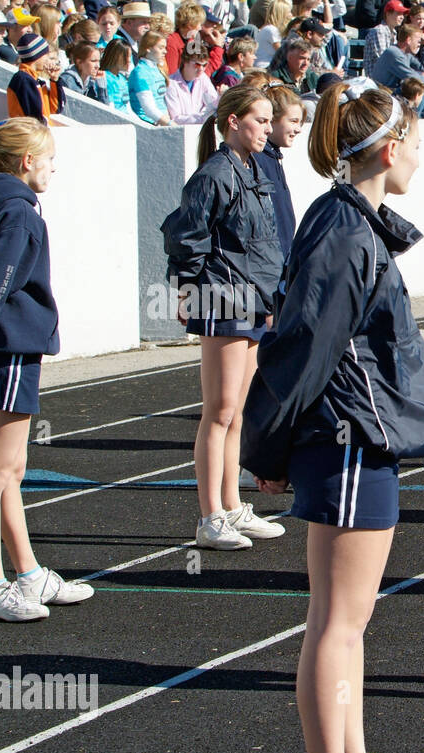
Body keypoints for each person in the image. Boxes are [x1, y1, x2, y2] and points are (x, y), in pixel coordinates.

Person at [241, 78, 424, 753]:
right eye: (418, 144)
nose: (421, 158)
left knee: (349, 623)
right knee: (335, 622)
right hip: (347, 440)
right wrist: (267, 445)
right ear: (390, 149)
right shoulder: (344, 230)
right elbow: (303, 349)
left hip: (360, 439)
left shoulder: (354, 222)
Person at [161, 84, 286, 550]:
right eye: (261, 120)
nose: (268, 129)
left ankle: (232, 506)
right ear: (233, 122)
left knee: (238, 413)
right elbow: (186, 239)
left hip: (251, 298)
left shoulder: (252, 168)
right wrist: (187, 290)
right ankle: (210, 515)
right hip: (222, 299)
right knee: (219, 411)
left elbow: (262, 243)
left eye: (271, 120)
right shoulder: (215, 174)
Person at [0, 119, 95, 621]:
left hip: (13, 347)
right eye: (48, 157)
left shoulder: (8, 202)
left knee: (9, 472)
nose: (54, 166)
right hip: (10, 349)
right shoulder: (17, 209)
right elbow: (0, 282)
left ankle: (29, 573)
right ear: (25, 161)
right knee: (2, 472)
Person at [257, 82, 302, 295]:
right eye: (293, 121)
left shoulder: (273, 157)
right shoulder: (258, 160)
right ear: (272, 120)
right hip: (267, 277)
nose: (298, 129)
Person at [7, 33, 62, 124]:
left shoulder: (35, 80)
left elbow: (56, 108)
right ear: (37, 56)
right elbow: (34, 119)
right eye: (46, 55)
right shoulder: (24, 80)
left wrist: (54, 80)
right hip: (29, 135)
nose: (48, 60)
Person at [367, 22, 424, 96]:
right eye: (419, 41)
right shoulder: (394, 53)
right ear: (408, 40)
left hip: (392, 91)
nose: (419, 45)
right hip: (382, 93)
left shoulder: (406, 54)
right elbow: (411, 77)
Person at [166, 42, 220, 123]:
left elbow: (213, 104)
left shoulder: (203, 78)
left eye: (205, 65)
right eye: (197, 65)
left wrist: (221, 96)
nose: (201, 69)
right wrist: (202, 118)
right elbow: (175, 118)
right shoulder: (171, 83)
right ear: (185, 61)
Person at [362, 0, 405, 66]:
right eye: (398, 13)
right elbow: (383, 58)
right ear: (388, 14)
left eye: (402, 14)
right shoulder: (379, 31)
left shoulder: (393, 32)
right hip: (378, 74)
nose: (402, 17)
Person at [99, 37, 136, 114]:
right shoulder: (105, 78)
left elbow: (127, 107)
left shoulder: (122, 78)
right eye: (126, 56)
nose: (129, 60)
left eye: (130, 57)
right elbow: (110, 108)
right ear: (115, 56)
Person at [254, 0, 290, 66]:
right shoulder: (272, 30)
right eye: (288, 12)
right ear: (281, 14)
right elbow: (282, 53)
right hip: (264, 67)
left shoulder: (269, 28)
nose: (291, 15)